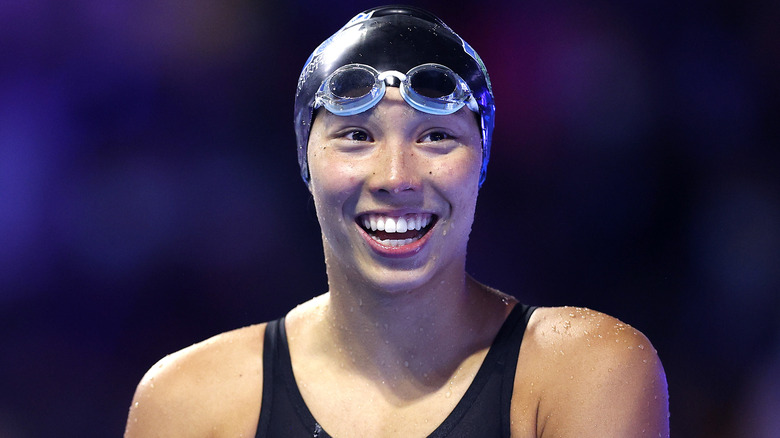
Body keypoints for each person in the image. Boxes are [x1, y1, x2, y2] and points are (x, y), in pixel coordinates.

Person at [125, 5, 669, 437]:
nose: (395, 176)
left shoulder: (583, 373)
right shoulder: (191, 404)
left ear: (481, 162)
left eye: (435, 136)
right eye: (357, 136)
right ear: (304, 161)